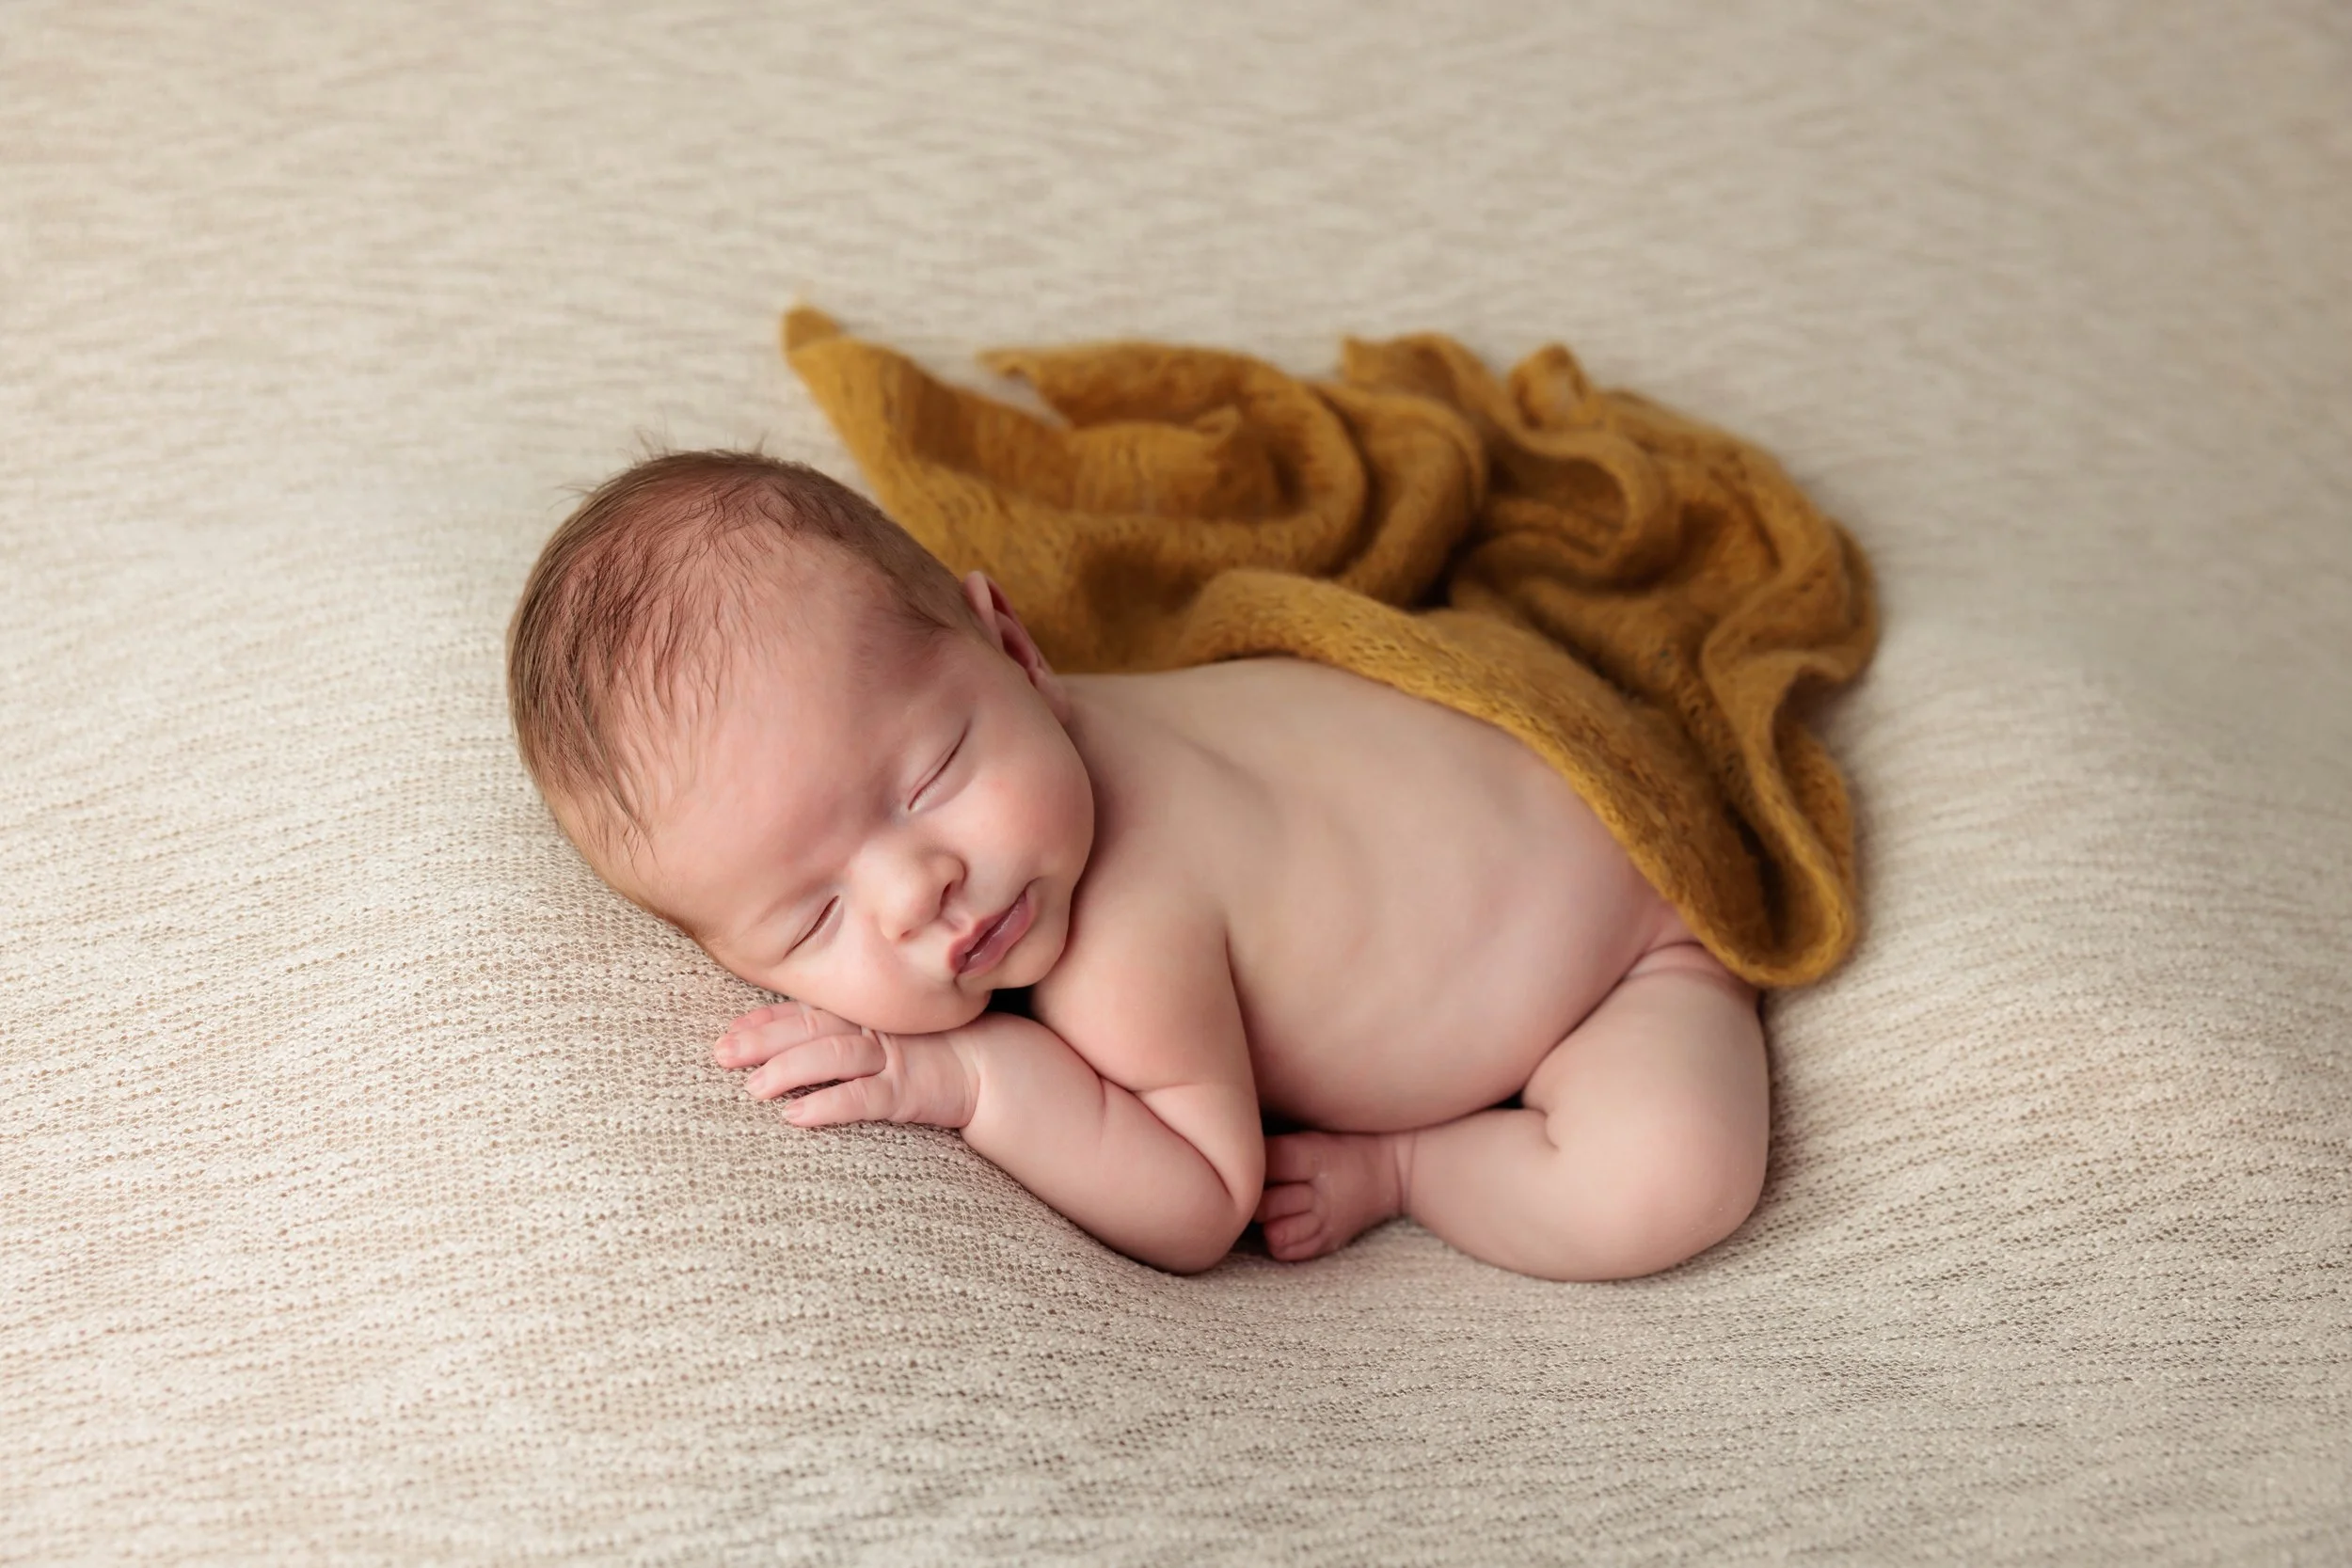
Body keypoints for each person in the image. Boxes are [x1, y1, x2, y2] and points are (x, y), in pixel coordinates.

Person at [507, 451, 1769, 1279]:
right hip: (1532, 753)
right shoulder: (1051, 719)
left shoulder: (1123, 939)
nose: (916, 891)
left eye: (929, 778)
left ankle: (1411, 1165)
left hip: (1627, 957)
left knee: (1666, 1180)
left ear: (1013, 642)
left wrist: (959, 1081)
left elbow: (1200, 1200)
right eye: (816, 914)